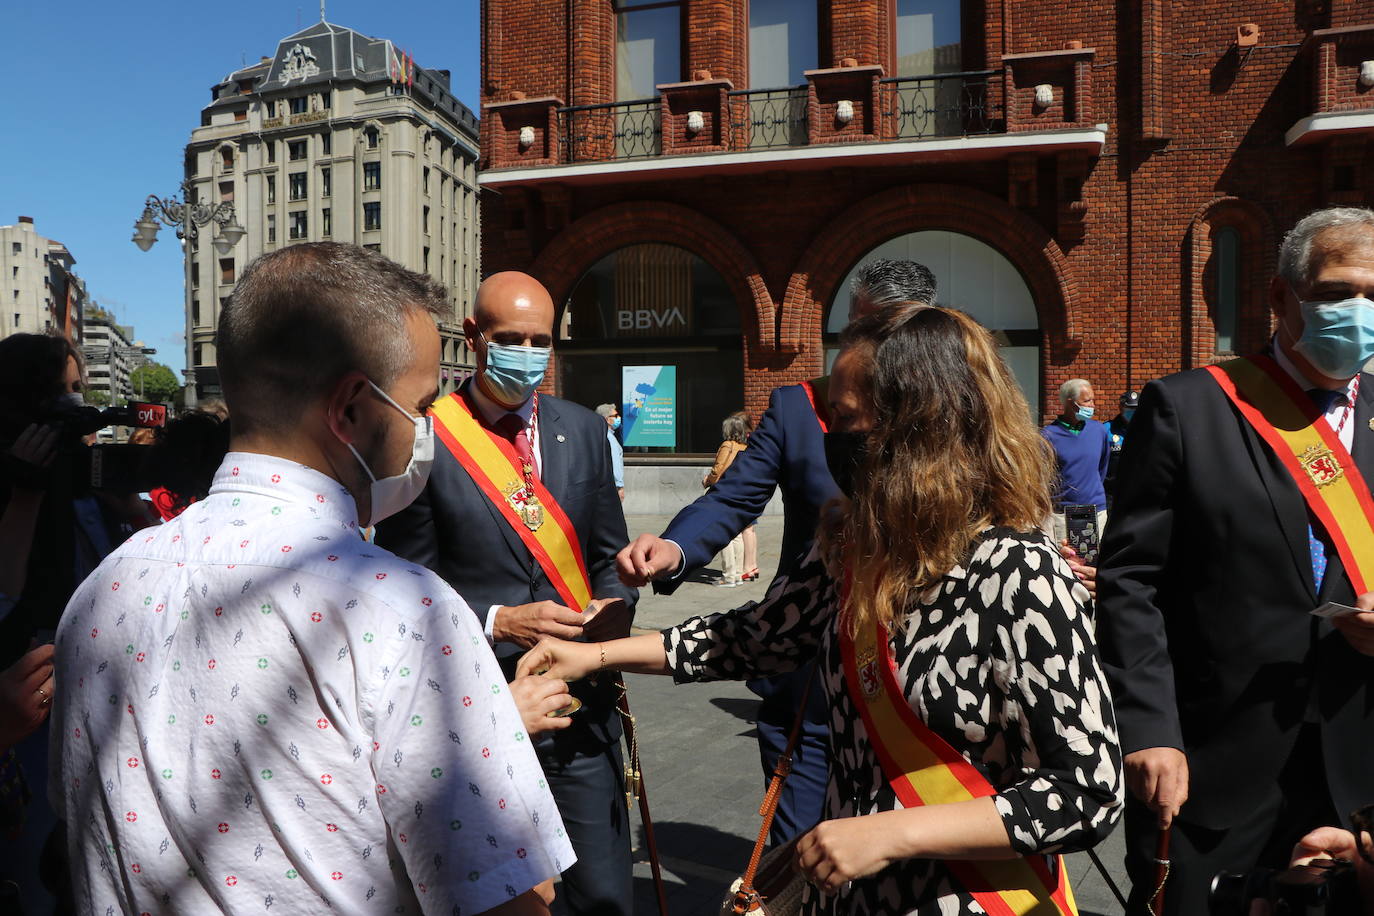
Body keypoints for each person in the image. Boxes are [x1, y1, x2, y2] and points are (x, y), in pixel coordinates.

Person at [537, 305, 1123, 914]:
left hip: (972, 897)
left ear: (915, 425)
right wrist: (591, 654)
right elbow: (751, 638)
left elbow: (1089, 791)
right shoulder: (857, 546)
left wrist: (892, 833)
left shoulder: (1021, 573)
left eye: (844, 418)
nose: (828, 439)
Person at [51, 243, 575, 915]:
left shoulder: (101, 590)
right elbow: (512, 898)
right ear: (353, 408)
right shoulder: (403, 611)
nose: (429, 431)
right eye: (421, 405)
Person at [1095, 206, 1374, 915]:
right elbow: (1132, 584)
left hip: (1358, 767)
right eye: (1340, 292)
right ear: (1281, 297)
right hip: (1211, 766)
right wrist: (1150, 728)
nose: (1360, 312)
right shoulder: (1189, 409)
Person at [617, 259, 938, 845]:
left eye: (883, 334)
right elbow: (736, 497)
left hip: (920, 684)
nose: (864, 349)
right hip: (808, 665)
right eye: (856, 331)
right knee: (796, 849)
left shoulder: (950, 418)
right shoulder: (799, 408)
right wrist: (673, 546)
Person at [376, 271, 638, 916]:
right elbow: (403, 587)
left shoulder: (582, 431)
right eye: (510, 338)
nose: (527, 353)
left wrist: (612, 611)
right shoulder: (425, 435)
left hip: (579, 702)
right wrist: (495, 619)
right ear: (473, 337)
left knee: (603, 892)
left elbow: (608, 554)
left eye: (540, 340)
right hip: (477, 709)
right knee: (499, 897)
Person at [0, 331, 151, 914]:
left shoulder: (89, 480)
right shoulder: (19, 483)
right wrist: (26, 492)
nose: (73, 407)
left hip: (97, 693)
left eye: (76, 390)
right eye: (55, 393)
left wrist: (128, 510)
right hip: (23, 699)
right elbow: (4, 594)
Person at [1041, 378, 1110, 542]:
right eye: (1087, 401)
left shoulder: (1099, 431)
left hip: (1096, 510)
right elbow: (1044, 478)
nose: (1093, 405)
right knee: (1067, 562)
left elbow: (1102, 468)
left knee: (1095, 564)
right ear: (1071, 404)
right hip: (1062, 514)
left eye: (1093, 400)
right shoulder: (1048, 436)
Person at [703, 411, 751, 587]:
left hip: (725, 493)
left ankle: (729, 575)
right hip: (741, 492)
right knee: (736, 534)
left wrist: (707, 481)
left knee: (725, 535)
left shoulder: (727, 445)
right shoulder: (745, 447)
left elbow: (717, 471)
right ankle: (737, 574)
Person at [1103, 389, 1139, 504]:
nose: (1132, 412)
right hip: (1112, 494)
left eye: (1135, 409)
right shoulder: (1106, 430)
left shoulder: (1149, 429)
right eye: (1129, 408)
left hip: (1138, 491)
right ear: (1121, 408)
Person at [594, 402, 625, 501]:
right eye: (615, 415)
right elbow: (614, 462)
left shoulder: (598, 435)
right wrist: (619, 486)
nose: (618, 417)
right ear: (607, 419)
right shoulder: (609, 438)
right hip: (611, 487)